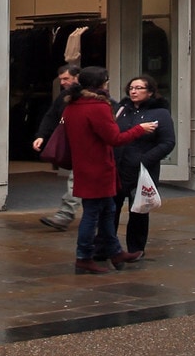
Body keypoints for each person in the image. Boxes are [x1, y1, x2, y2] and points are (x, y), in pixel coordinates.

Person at [62, 65, 156, 274]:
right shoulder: (98, 106)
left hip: (85, 165)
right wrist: (139, 129)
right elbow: (115, 138)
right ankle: (83, 256)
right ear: (100, 84)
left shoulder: (72, 105)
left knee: (108, 210)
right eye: (106, 80)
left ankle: (114, 251)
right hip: (98, 167)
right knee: (93, 213)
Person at [113, 76, 175, 260]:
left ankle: (136, 248)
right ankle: (107, 246)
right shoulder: (121, 110)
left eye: (139, 88)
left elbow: (168, 142)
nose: (134, 91)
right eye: (131, 88)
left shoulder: (160, 113)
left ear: (149, 92)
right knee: (111, 209)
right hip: (118, 168)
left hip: (141, 170)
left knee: (138, 211)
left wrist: (144, 160)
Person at [34, 62, 81, 230]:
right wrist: (41, 135)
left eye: (66, 78)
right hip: (75, 144)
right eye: (61, 79)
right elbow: (52, 115)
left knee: (76, 179)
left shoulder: (90, 98)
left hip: (86, 146)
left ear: (77, 77)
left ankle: (65, 214)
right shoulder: (64, 97)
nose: (62, 83)